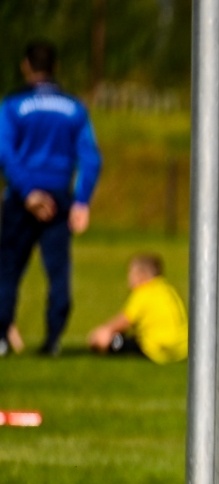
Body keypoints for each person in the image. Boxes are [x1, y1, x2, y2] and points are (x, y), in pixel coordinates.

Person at [0, 40, 100, 358]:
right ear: (55, 67)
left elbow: (6, 152)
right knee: (57, 270)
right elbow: (91, 158)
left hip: (21, 196)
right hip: (59, 196)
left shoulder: (13, 106)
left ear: (26, 66)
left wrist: (28, 191)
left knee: (8, 270)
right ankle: (53, 340)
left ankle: (2, 337)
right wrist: (82, 200)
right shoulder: (75, 109)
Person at [85, 253, 187, 364]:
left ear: (141, 276)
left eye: (131, 273)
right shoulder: (168, 289)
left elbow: (124, 321)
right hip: (182, 350)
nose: (129, 278)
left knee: (106, 339)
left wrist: (103, 332)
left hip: (158, 349)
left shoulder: (143, 292)